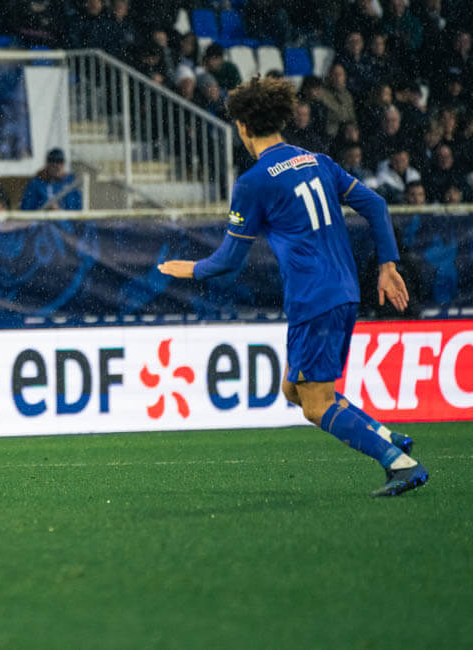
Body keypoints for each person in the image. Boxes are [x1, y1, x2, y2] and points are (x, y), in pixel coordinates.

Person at [157, 77, 427, 497]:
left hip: (313, 297)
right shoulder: (317, 161)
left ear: (243, 126)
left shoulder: (253, 182)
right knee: (293, 389)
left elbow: (228, 261)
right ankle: (386, 437)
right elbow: (375, 204)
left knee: (316, 405)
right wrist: (387, 266)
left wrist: (191, 269)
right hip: (343, 290)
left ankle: (399, 463)